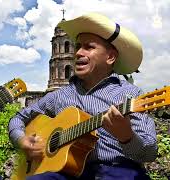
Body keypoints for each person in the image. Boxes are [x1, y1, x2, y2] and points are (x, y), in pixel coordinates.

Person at [9, 12, 157, 180]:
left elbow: (150, 152)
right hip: (66, 171)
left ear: (110, 57)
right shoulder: (60, 95)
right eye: (77, 46)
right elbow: (19, 118)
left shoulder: (131, 95)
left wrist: (127, 137)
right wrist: (21, 140)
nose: (78, 52)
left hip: (117, 171)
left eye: (89, 47)